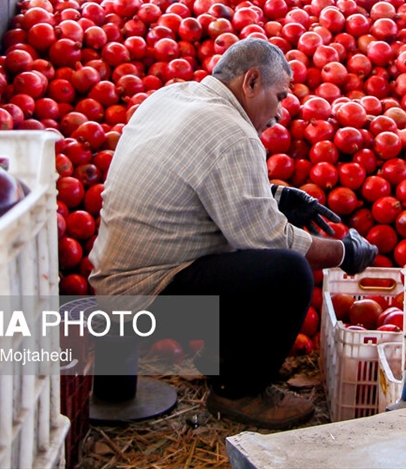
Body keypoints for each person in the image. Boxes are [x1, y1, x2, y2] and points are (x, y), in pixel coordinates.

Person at [89, 38, 378, 429]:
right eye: (279, 97)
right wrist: (343, 253)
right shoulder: (233, 133)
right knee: (287, 272)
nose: (279, 114)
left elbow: (200, 190)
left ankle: (207, 370)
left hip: (110, 282)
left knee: (251, 263)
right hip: (146, 299)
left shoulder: (173, 96)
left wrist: (275, 196)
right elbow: (268, 239)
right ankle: (239, 391)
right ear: (252, 82)